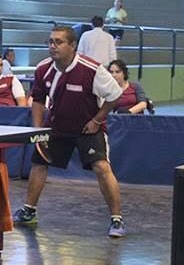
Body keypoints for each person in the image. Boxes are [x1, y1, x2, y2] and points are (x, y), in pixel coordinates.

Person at [14, 25, 126, 238]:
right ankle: (29, 211)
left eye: (58, 42)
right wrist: (38, 131)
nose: (52, 46)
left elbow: (114, 95)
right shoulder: (43, 69)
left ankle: (117, 219)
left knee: (102, 167)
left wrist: (96, 120)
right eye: (50, 42)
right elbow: (38, 99)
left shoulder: (92, 69)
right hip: (57, 128)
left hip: (88, 128)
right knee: (39, 164)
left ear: (73, 45)